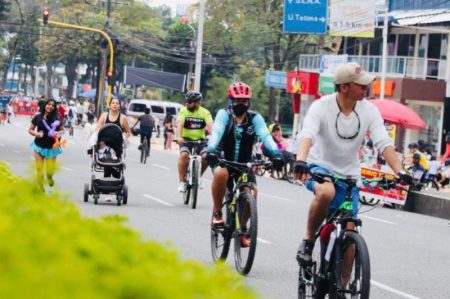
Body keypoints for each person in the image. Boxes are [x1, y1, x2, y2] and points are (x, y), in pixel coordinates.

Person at [292, 63, 412, 276]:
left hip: (349, 176)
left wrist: (399, 171)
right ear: (344, 87)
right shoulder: (321, 106)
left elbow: (383, 143)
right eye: (361, 84)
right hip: (319, 166)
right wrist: (301, 161)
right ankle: (308, 241)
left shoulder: (369, 110)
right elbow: (307, 134)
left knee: (351, 240)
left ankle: (342, 290)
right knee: (326, 192)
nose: (366, 87)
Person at [206, 82, 284, 230]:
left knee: (252, 192)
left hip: (245, 163)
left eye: (244, 100)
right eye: (237, 100)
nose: (241, 103)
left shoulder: (255, 118)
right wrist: (211, 149)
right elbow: (216, 133)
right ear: (230, 101)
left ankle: (242, 228)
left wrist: (277, 154)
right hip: (224, 159)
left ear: (249, 102)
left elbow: (266, 137)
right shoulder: (224, 115)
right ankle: (217, 212)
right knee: (221, 174)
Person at [177, 91, 213, 192]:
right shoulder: (184, 110)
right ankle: (182, 182)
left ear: (197, 103)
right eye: (186, 101)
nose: (187, 103)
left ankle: (199, 176)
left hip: (200, 140)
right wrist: (179, 137)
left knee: (207, 156)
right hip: (185, 139)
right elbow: (180, 124)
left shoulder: (205, 112)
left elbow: (210, 126)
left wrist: (213, 137)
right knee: (184, 155)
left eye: (190, 102)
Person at [28, 98, 65, 190]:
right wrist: (36, 134)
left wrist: (57, 134)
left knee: (49, 171)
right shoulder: (37, 117)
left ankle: (49, 177)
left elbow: (63, 131)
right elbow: (30, 130)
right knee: (39, 170)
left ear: (54, 108)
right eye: (49, 104)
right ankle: (41, 189)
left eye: (53, 106)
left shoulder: (56, 119)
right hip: (39, 147)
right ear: (45, 105)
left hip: (52, 148)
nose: (50, 107)